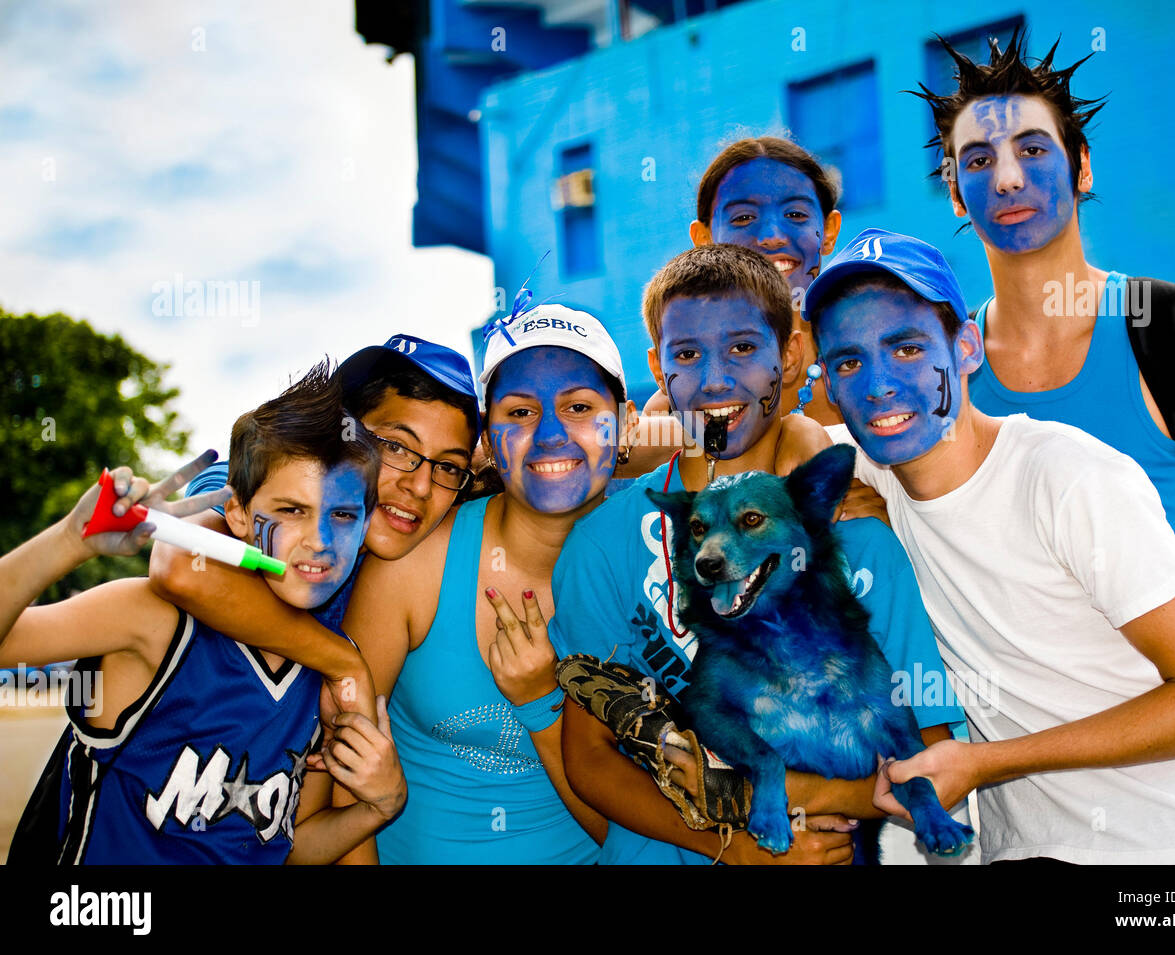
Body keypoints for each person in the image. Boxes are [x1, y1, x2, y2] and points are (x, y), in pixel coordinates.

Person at [915, 28, 1175, 854]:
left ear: (1082, 168)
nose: (1007, 177)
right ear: (955, 193)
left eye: (1032, 149)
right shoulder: (939, 379)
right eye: (977, 160)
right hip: (1026, 832)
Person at [806, 227, 1175, 865]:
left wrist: (985, 762)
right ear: (830, 387)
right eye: (848, 362)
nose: (879, 384)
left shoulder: (1066, 476)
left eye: (908, 348)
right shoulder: (859, 473)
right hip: (1025, 854)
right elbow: (720, 429)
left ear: (966, 347)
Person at [552, 243, 965, 865]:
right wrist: (737, 847)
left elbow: (927, 758)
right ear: (658, 368)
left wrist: (801, 796)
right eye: (686, 355)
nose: (716, 379)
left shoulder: (862, 544)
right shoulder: (602, 543)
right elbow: (589, 760)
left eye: (743, 348)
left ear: (791, 355)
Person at [3, 365, 405, 864]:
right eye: (291, 510)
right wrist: (69, 542)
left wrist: (378, 807)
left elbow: (284, 846)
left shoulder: (324, 665)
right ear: (237, 514)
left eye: (342, 515)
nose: (320, 540)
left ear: (366, 525)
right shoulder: (155, 622)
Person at [340, 305, 638, 863]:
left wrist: (543, 703)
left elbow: (651, 831)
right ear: (489, 442)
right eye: (520, 412)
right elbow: (344, 780)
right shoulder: (412, 564)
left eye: (578, 407)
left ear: (627, 426)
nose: (550, 434)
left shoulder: (658, 570)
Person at [148, 334, 482, 733]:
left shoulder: (420, 561)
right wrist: (342, 661)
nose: (421, 486)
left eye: (448, 467)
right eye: (396, 447)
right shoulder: (264, 484)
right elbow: (182, 565)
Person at [627, 136, 841, 477]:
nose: (772, 235)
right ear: (704, 239)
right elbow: (606, 449)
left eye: (795, 214)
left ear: (828, 231)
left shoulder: (864, 363)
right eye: (743, 218)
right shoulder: (680, 401)